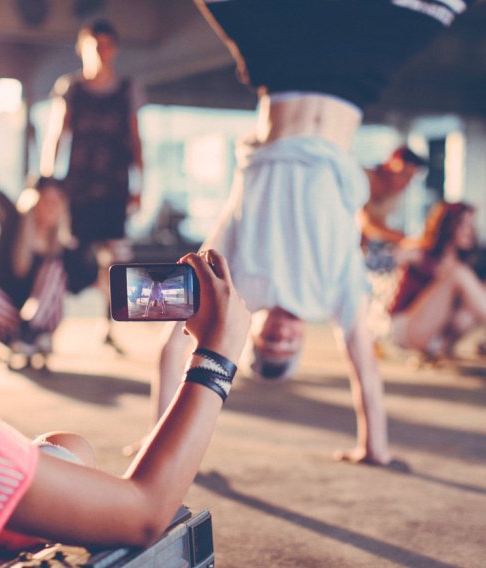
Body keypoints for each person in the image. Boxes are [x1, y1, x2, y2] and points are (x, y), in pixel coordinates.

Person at [0, 113, 250, 566]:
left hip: (35, 322)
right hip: (6, 320)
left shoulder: (64, 250)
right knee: (77, 468)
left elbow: (92, 283)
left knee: (69, 448)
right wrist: (216, 355)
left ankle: (33, 341)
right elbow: (145, 514)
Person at [151, 0, 478, 466]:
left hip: (281, 69)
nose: (281, 334)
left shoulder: (235, 280)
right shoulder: (333, 294)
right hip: (351, 82)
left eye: (269, 341)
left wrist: (158, 449)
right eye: (289, 343)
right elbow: (363, 366)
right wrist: (374, 448)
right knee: (439, 10)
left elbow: (174, 349)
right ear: (304, 339)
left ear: (255, 331)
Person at [40, 18, 145, 352]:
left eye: (106, 45)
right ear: (82, 48)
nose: (101, 52)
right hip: (79, 190)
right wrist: (46, 181)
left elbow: (136, 140)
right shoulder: (71, 87)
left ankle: (109, 326)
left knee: (116, 262)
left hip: (115, 189)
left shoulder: (127, 89)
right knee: (68, 258)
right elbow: (58, 135)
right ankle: (49, 324)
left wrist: (140, 184)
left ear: (115, 49)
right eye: (95, 45)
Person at [0, 114, 73, 366]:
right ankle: (22, 337)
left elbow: (77, 284)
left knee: (54, 269)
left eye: (56, 203)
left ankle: (30, 335)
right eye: (45, 201)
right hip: (4, 318)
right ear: (35, 202)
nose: (51, 208)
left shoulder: (63, 243)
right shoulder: (14, 219)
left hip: (43, 321)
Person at [389, 201, 486, 360]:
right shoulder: (421, 254)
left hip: (437, 335)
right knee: (459, 274)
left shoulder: (465, 263)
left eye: (472, 226)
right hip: (406, 330)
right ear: (449, 226)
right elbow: (394, 257)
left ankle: (442, 346)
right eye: (465, 225)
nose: (471, 232)